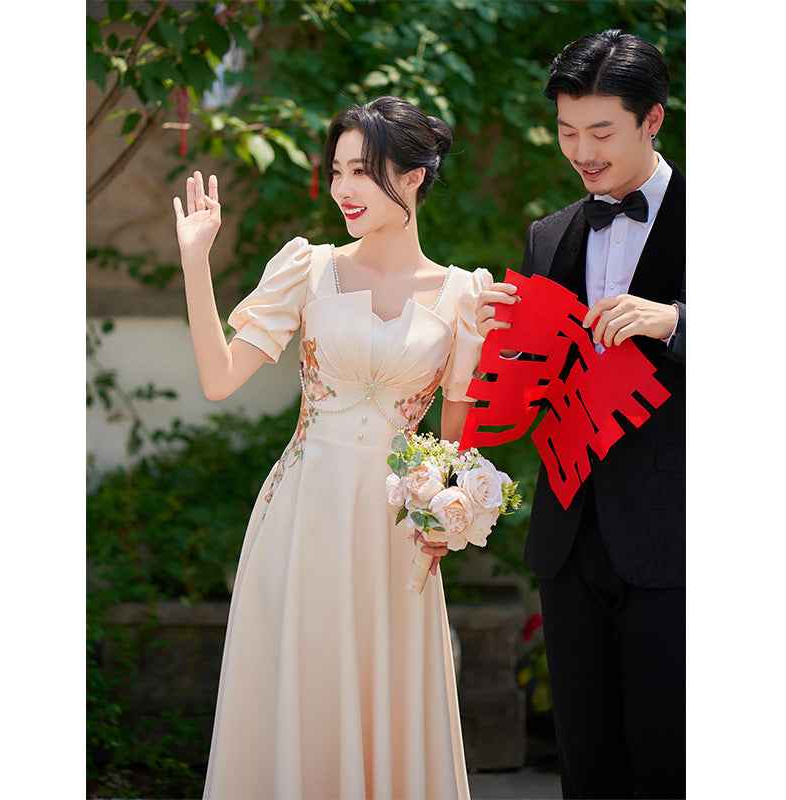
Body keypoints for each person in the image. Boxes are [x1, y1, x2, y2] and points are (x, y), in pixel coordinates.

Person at [172, 95, 492, 799]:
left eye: (363, 171)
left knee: (386, 699)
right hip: (303, 517)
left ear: (414, 177)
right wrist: (196, 263)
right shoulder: (308, 269)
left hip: (395, 536)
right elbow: (219, 379)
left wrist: (446, 513)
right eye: (338, 170)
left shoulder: (463, 295)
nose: (343, 188)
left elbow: (454, 438)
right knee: (303, 688)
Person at [475, 30, 686, 799]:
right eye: (567, 133)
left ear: (652, 119)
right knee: (587, 768)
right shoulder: (550, 234)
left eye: (601, 132)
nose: (582, 153)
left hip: (682, 541)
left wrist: (675, 321)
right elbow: (532, 385)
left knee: (675, 764)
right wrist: (497, 337)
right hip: (569, 544)